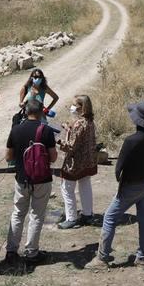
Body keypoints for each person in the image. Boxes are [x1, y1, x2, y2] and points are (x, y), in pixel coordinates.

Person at [85, 101, 144, 271]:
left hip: (130, 186)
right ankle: (142, 259)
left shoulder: (131, 140)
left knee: (110, 218)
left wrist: (121, 180)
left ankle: (102, 258)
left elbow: (119, 169)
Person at [4, 97, 58, 263]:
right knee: (36, 215)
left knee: (18, 213)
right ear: (42, 111)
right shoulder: (46, 130)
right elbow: (54, 157)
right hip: (42, 178)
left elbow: (8, 157)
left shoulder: (16, 130)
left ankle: (11, 251)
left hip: (22, 178)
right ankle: (32, 252)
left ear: (26, 112)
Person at [56, 94, 98, 230]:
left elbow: (71, 146)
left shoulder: (79, 124)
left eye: (75, 105)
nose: (72, 107)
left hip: (76, 162)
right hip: (88, 161)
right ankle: (87, 214)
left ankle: (71, 218)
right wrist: (69, 129)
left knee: (67, 188)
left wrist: (57, 141)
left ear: (82, 108)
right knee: (85, 185)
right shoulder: (90, 121)